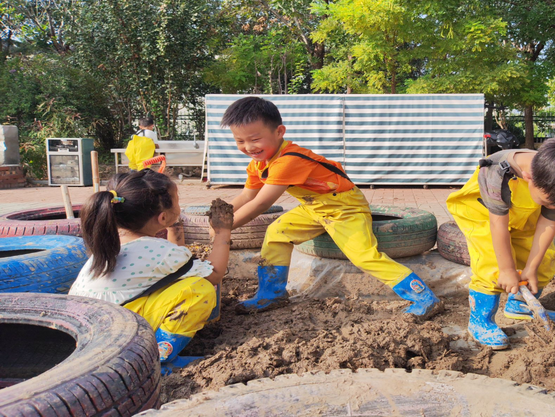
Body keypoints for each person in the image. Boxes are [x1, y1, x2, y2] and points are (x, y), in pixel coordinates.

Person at [220, 96, 440, 317]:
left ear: (279, 132)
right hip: (313, 207)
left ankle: (424, 297)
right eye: (239, 141)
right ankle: (271, 294)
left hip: (344, 208)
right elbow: (247, 195)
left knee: (364, 255)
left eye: (255, 139)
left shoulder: (289, 160)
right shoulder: (259, 164)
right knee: (277, 233)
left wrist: (224, 230)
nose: (248, 147)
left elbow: (262, 203)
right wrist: (218, 217)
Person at [446, 137, 555, 349]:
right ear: (529, 177)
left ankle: (519, 306)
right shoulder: (496, 173)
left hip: (525, 209)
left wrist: (530, 268)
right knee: (492, 264)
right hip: (483, 213)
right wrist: (506, 269)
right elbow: (498, 226)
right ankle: (480, 321)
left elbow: (548, 224)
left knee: (545, 259)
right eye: (551, 202)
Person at [69, 170, 233, 373]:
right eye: (177, 201)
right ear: (163, 217)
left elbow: (173, 269)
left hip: (86, 330)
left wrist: (174, 228)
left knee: (180, 281)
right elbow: (214, 275)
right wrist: (223, 231)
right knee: (199, 289)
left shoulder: (110, 244)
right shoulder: (159, 252)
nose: (180, 206)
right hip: (117, 336)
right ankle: (156, 358)